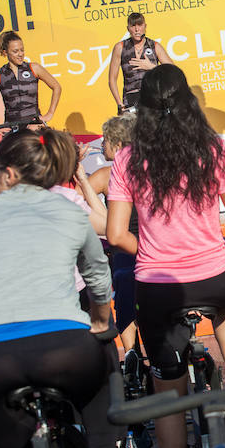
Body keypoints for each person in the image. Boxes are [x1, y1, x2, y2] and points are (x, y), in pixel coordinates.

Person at [105, 64, 225, 448]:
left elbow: (116, 233)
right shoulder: (213, 148)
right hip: (213, 277)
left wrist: (152, 248)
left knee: (168, 398)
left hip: (158, 287)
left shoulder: (126, 159)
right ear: (188, 102)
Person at [0, 128, 121, 448]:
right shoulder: (68, 209)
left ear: (9, 174)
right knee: (103, 372)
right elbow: (98, 274)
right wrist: (99, 319)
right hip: (63, 346)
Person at [87, 114, 143, 376]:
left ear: (118, 144)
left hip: (124, 253)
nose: (102, 147)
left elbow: (74, 206)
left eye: (105, 141)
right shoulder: (151, 167)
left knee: (124, 291)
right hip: (155, 249)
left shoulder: (105, 174)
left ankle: (131, 352)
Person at [0, 31, 61, 132]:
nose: (20, 54)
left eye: (22, 50)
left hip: (35, 127)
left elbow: (57, 87)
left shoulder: (34, 68)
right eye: (15, 51)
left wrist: (50, 113)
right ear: (5, 52)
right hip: (12, 129)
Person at [107, 13, 173, 113]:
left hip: (154, 97)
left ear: (145, 26)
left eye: (140, 25)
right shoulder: (120, 47)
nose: (137, 30)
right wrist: (120, 104)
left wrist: (152, 67)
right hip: (131, 98)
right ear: (128, 28)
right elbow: (112, 79)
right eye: (133, 26)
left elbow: (173, 72)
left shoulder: (154, 46)